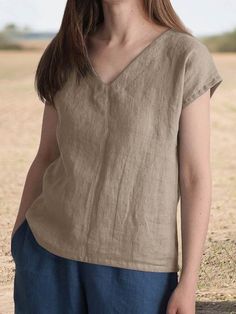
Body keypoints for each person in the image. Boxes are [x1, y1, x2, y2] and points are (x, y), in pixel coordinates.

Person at [10, 0, 223, 313]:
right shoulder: (65, 52)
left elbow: (194, 176)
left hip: (138, 270)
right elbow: (46, 155)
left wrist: (189, 281)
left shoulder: (185, 57)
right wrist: (20, 238)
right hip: (46, 256)